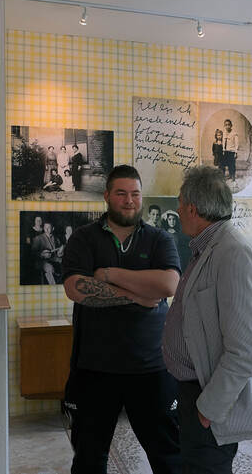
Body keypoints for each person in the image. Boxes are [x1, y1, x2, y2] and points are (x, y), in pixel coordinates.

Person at [61, 164, 182, 474]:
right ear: (106, 196)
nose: (129, 201)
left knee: (168, 456)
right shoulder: (84, 239)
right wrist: (139, 294)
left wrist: (111, 275)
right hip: (95, 368)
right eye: (121, 194)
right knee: (89, 458)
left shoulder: (159, 239)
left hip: (153, 367)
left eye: (135, 194)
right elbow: (76, 288)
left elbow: (169, 284)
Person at [162, 166, 252, 473]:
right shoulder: (210, 245)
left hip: (208, 399)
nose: (177, 209)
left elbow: (244, 352)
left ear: (192, 209)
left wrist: (207, 410)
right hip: (194, 389)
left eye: (179, 203)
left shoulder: (234, 253)